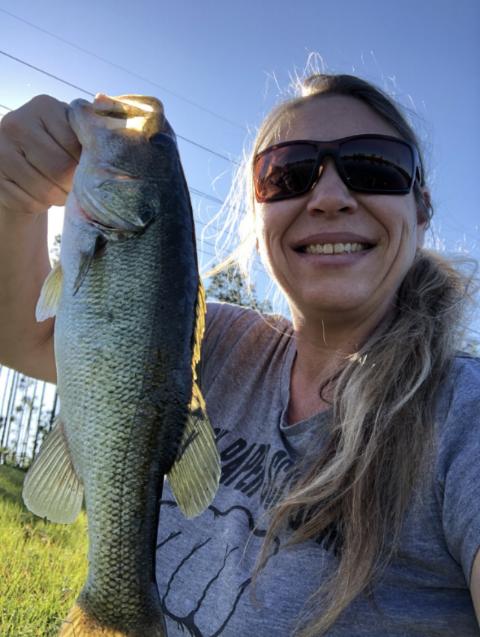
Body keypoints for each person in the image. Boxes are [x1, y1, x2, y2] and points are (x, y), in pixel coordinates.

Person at [0, 73, 479, 636]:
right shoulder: (210, 341)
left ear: (421, 210)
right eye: (288, 173)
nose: (329, 198)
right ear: (258, 216)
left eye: (375, 166)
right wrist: (12, 200)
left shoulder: (464, 418)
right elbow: (21, 336)